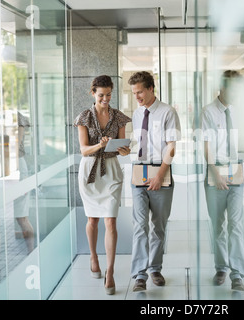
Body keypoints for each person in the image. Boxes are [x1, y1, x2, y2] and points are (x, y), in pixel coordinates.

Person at [73, 75, 131, 295]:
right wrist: (100, 144)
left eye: (108, 94)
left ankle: (110, 271)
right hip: (90, 172)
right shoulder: (84, 117)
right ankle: (93, 256)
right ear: (93, 93)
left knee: (110, 222)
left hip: (112, 171)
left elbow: (122, 147)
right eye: (101, 95)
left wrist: (124, 150)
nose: (105, 98)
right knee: (92, 219)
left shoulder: (119, 117)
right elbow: (83, 150)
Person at [128, 71, 181, 292]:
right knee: (140, 225)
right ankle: (140, 275)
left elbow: (172, 147)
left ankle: (155, 269)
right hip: (139, 173)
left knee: (158, 226)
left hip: (162, 173)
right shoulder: (137, 113)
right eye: (134, 92)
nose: (137, 96)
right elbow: (138, 142)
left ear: (151, 88)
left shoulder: (168, 112)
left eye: (140, 91)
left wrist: (159, 175)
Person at [201, 70, 244, 291]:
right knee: (218, 224)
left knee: (236, 225)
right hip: (215, 173)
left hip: (236, 173)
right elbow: (206, 146)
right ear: (222, 88)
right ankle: (221, 268)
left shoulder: (240, 111)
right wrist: (216, 173)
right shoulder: (208, 111)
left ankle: (237, 274)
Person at [13, 111, 35, 254]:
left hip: (20, 174)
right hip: (19, 175)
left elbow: (16, 149)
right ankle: (31, 251)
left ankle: (31, 251)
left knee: (22, 218)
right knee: (20, 217)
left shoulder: (19, 124)